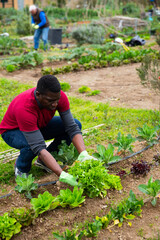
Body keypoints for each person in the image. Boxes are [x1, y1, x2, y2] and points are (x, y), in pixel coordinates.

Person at [0, 75, 94, 187]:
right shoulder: (24, 107)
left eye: (57, 100)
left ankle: (44, 161)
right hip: (12, 131)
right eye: (50, 101)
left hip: (38, 124)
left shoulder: (58, 97)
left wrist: (84, 153)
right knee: (31, 146)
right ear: (38, 94)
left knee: (76, 124)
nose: (55, 104)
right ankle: (21, 168)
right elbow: (38, 146)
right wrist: (61, 174)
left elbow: (72, 127)